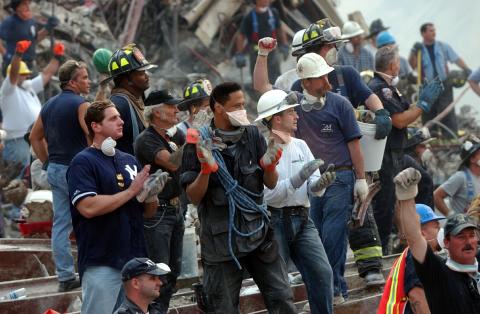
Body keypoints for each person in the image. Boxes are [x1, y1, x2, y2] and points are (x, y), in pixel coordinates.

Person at [254, 25, 388, 291]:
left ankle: (339, 285)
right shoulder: (295, 94)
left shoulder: (343, 87)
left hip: (342, 175)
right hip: (311, 179)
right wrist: (261, 56)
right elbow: (265, 92)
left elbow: (358, 136)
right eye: (329, 47)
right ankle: (325, 286)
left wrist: (361, 178)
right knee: (317, 236)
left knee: (336, 234)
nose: (333, 51)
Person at [180, 82, 297, 313]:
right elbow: (193, 196)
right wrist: (205, 170)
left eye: (243, 104)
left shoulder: (252, 135)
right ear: (219, 108)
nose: (243, 110)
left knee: (282, 299)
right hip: (220, 243)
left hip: (258, 234)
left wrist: (270, 166)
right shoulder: (197, 144)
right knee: (222, 308)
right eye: (238, 105)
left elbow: (269, 183)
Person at [66, 100, 162, 314]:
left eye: (119, 117)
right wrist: (131, 191)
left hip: (134, 260)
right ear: (95, 126)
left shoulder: (129, 160)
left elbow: (148, 213)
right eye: (113, 118)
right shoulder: (83, 162)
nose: (121, 121)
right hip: (103, 259)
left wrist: (150, 196)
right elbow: (87, 207)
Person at [255, 89, 335, 313]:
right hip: (275, 221)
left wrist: (319, 185)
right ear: (277, 118)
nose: (296, 116)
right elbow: (268, 195)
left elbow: (314, 184)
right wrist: (298, 179)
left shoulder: (300, 145)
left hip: (302, 219)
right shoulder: (263, 150)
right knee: (279, 287)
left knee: (322, 273)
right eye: (291, 112)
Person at [368, 45, 443, 253]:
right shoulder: (378, 88)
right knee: (386, 204)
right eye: (398, 64)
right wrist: (423, 104)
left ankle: (424, 232)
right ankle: (382, 249)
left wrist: (417, 109)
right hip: (386, 157)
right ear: (392, 65)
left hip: (398, 152)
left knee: (425, 181)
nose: (399, 67)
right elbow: (399, 121)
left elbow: (405, 114)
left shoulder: (390, 88)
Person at [29, 59, 90, 292]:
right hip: (76, 170)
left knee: (62, 224)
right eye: (84, 77)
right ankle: (89, 269)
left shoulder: (49, 105)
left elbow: (35, 137)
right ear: (72, 82)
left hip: (55, 169)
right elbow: (91, 136)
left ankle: (65, 277)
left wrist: (46, 161)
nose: (88, 81)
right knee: (87, 220)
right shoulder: (81, 105)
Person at [393, 167, 480, 313]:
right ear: (446, 242)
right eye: (461, 237)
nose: (468, 242)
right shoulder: (439, 271)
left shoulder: (475, 267)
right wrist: (407, 197)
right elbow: (414, 238)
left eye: (472, 235)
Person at [134, 90, 186, 313]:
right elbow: (173, 163)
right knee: (158, 273)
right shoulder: (146, 140)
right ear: (156, 112)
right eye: (171, 106)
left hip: (176, 209)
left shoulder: (173, 137)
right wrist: (195, 138)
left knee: (172, 272)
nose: (177, 110)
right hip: (158, 214)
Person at [0, 40, 62, 170]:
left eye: (26, 74)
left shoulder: (27, 86)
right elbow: (12, 75)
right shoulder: (8, 90)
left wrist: (57, 57)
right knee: (17, 180)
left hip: (35, 139)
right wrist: (18, 54)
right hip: (18, 142)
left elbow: (46, 74)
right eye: (22, 74)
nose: (26, 76)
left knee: (31, 177)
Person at [378, 203, 444, 314]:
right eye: (436, 227)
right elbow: (417, 297)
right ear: (422, 233)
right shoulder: (416, 256)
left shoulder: (415, 255)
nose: (441, 231)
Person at [409, 22, 472, 134]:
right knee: (428, 112)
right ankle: (430, 138)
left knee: (447, 111)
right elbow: (412, 65)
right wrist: (413, 51)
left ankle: (450, 137)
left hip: (444, 83)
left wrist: (466, 69)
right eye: (431, 30)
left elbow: (456, 59)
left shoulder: (443, 46)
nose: (434, 32)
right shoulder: (419, 50)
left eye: (434, 30)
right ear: (423, 33)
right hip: (428, 86)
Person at [103, 43, 157, 155]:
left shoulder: (139, 98)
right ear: (126, 80)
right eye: (141, 73)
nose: (147, 76)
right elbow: (103, 142)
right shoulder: (119, 104)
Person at [234, 0, 288, 84]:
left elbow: (279, 29)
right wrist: (240, 54)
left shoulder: (273, 12)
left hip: (272, 52)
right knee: (259, 80)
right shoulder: (249, 17)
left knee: (276, 78)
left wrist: (284, 44)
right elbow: (241, 36)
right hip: (256, 54)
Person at [0, 0, 59, 75]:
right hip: (14, 65)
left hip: (29, 64)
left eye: (28, 3)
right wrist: (6, 55)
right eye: (24, 4)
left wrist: (48, 27)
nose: (28, 6)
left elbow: (34, 41)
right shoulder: (10, 22)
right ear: (17, 7)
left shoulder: (31, 21)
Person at [434, 141, 480, 216]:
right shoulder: (461, 177)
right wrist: (452, 216)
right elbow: (436, 196)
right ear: (472, 159)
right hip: (465, 226)